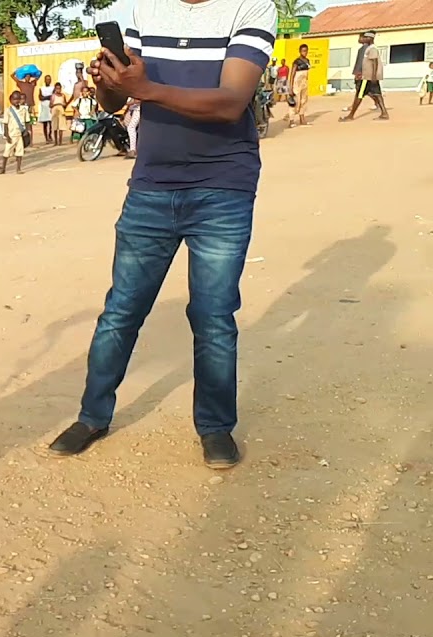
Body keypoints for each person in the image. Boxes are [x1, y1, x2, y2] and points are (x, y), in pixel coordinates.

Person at [47, 0, 278, 470]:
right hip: (151, 185)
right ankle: (92, 417)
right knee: (121, 311)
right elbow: (114, 103)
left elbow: (231, 102)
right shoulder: (143, 10)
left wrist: (146, 88)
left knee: (213, 316)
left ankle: (215, 427)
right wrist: (108, 81)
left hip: (222, 187)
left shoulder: (251, 7)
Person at [342, 31, 388, 121]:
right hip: (369, 77)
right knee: (377, 94)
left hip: (367, 77)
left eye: (366, 37)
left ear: (370, 38)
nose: (364, 39)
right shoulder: (369, 48)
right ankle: (384, 113)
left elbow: (374, 62)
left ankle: (351, 115)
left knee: (359, 95)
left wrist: (373, 76)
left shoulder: (372, 49)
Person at [2, 91, 31, 174]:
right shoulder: (8, 110)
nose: (16, 101)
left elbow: (27, 121)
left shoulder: (24, 110)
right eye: (14, 99)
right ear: (11, 100)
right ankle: (3, 168)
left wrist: (26, 131)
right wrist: (6, 135)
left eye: (18, 99)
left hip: (20, 134)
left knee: (19, 152)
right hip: (11, 134)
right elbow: (5, 123)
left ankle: (18, 168)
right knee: (6, 152)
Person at [289, 44, 311, 127]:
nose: (305, 52)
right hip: (297, 83)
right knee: (295, 101)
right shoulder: (297, 61)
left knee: (304, 101)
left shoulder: (307, 61)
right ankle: (291, 120)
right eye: (303, 51)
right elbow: (292, 74)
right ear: (300, 51)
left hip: (304, 83)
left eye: (306, 51)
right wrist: (290, 87)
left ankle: (302, 118)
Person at [38, 74, 55, 143]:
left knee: (51, 122)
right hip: (44, 106)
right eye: (47, 79)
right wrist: (48, 97)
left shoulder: (52, 88)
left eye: (49, 79)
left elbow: (53, 96)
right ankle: (46, 138)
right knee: (45, 123)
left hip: (50, 106)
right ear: (44, 80)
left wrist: (45, 97)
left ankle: (50, 134)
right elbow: (40, 98)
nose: (48, 80)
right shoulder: (42, 88)